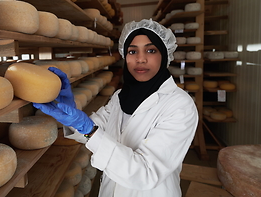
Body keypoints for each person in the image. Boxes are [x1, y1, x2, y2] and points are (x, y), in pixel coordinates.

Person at [33, 19, 199, 197]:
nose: (140, 59)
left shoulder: (180, 105)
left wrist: (89, 130)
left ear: (164, 55)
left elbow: (146, 173)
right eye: (132, 51)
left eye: (151, 50)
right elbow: (96, 129)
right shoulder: (120, 97)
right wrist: (73, 115)